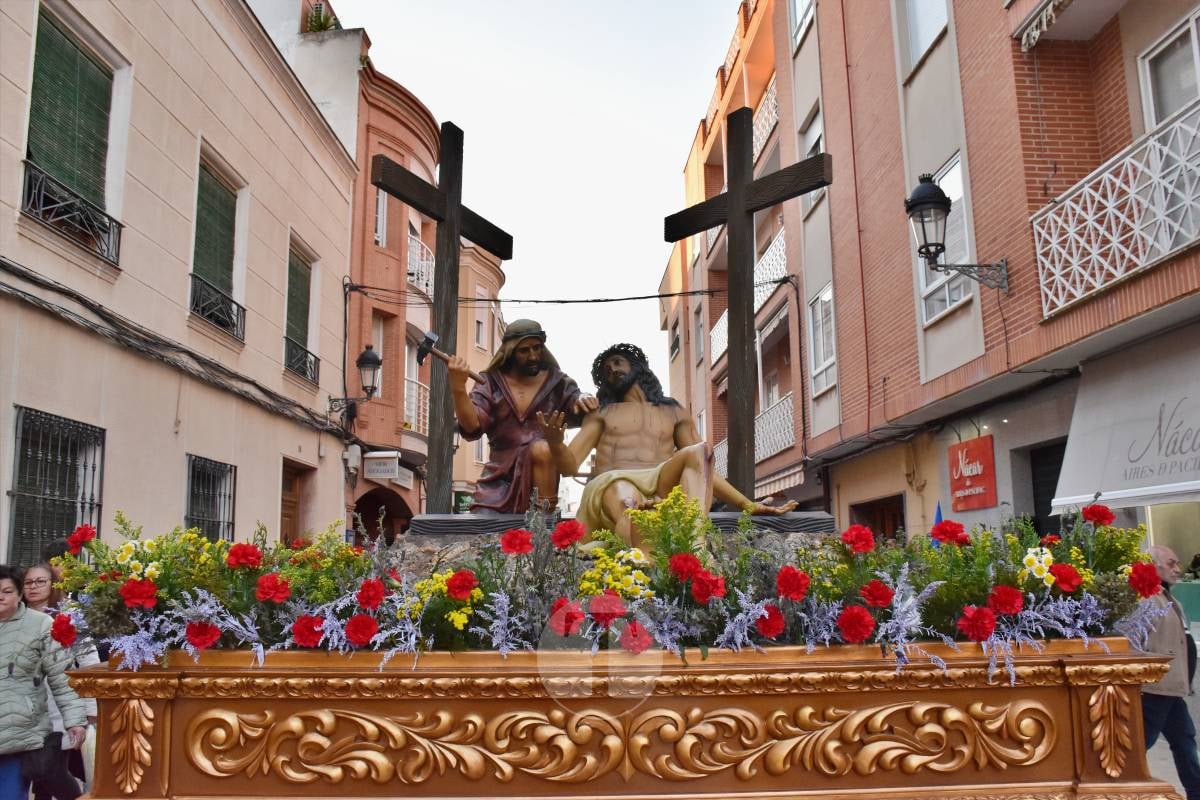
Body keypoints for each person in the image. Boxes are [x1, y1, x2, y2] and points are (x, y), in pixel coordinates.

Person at [538, 343, 795, 547]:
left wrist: (746, 504)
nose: (612, 370)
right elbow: (570, 465)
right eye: (606, 369)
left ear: (637, 367)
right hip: (614, 481)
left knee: (700, 450)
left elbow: (703, 468)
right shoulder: (602, 413)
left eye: (618, 362)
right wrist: (555, 442)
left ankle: (694, 548)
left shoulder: (673, 411)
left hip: (661, 481)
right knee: (628, 499)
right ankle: (641, 552)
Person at [449, 319, 597, 514]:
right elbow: (471, 426)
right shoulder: (491, 382)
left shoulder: (557, 382)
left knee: (543, 447)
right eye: (524, 351)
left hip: (542, 479)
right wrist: (458, 388)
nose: (533, 356)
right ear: (510, 352)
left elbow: (576, 403)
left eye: (537, 348)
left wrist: (584, 398)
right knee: (485, 533)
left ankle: (544, 521)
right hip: (498, 482)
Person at [0, 565, 87, 800]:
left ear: (19, 594)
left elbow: (61, 676)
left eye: (7, 591)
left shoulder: (40, 625)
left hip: (20, 734)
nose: (0, 596)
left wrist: (75, 721)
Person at [24, 563, 99, 799]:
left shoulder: (70, 616)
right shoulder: (15, 616)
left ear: (53, 585)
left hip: (61, 707)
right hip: (23, 708)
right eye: (28, 582)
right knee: (38, 775)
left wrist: (91, 707)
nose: (33, 587)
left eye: (40, 582)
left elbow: (89, 662)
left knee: (51, 770)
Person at [1143, 545, 1199, 800]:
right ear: (1153, 566)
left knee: (1184, 740)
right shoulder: (1146, 600)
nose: (1178, 569)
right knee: (1141, 743)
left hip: (1172, 688)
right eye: (1171, 563)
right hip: (1155, 689)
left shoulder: (1169, 598)